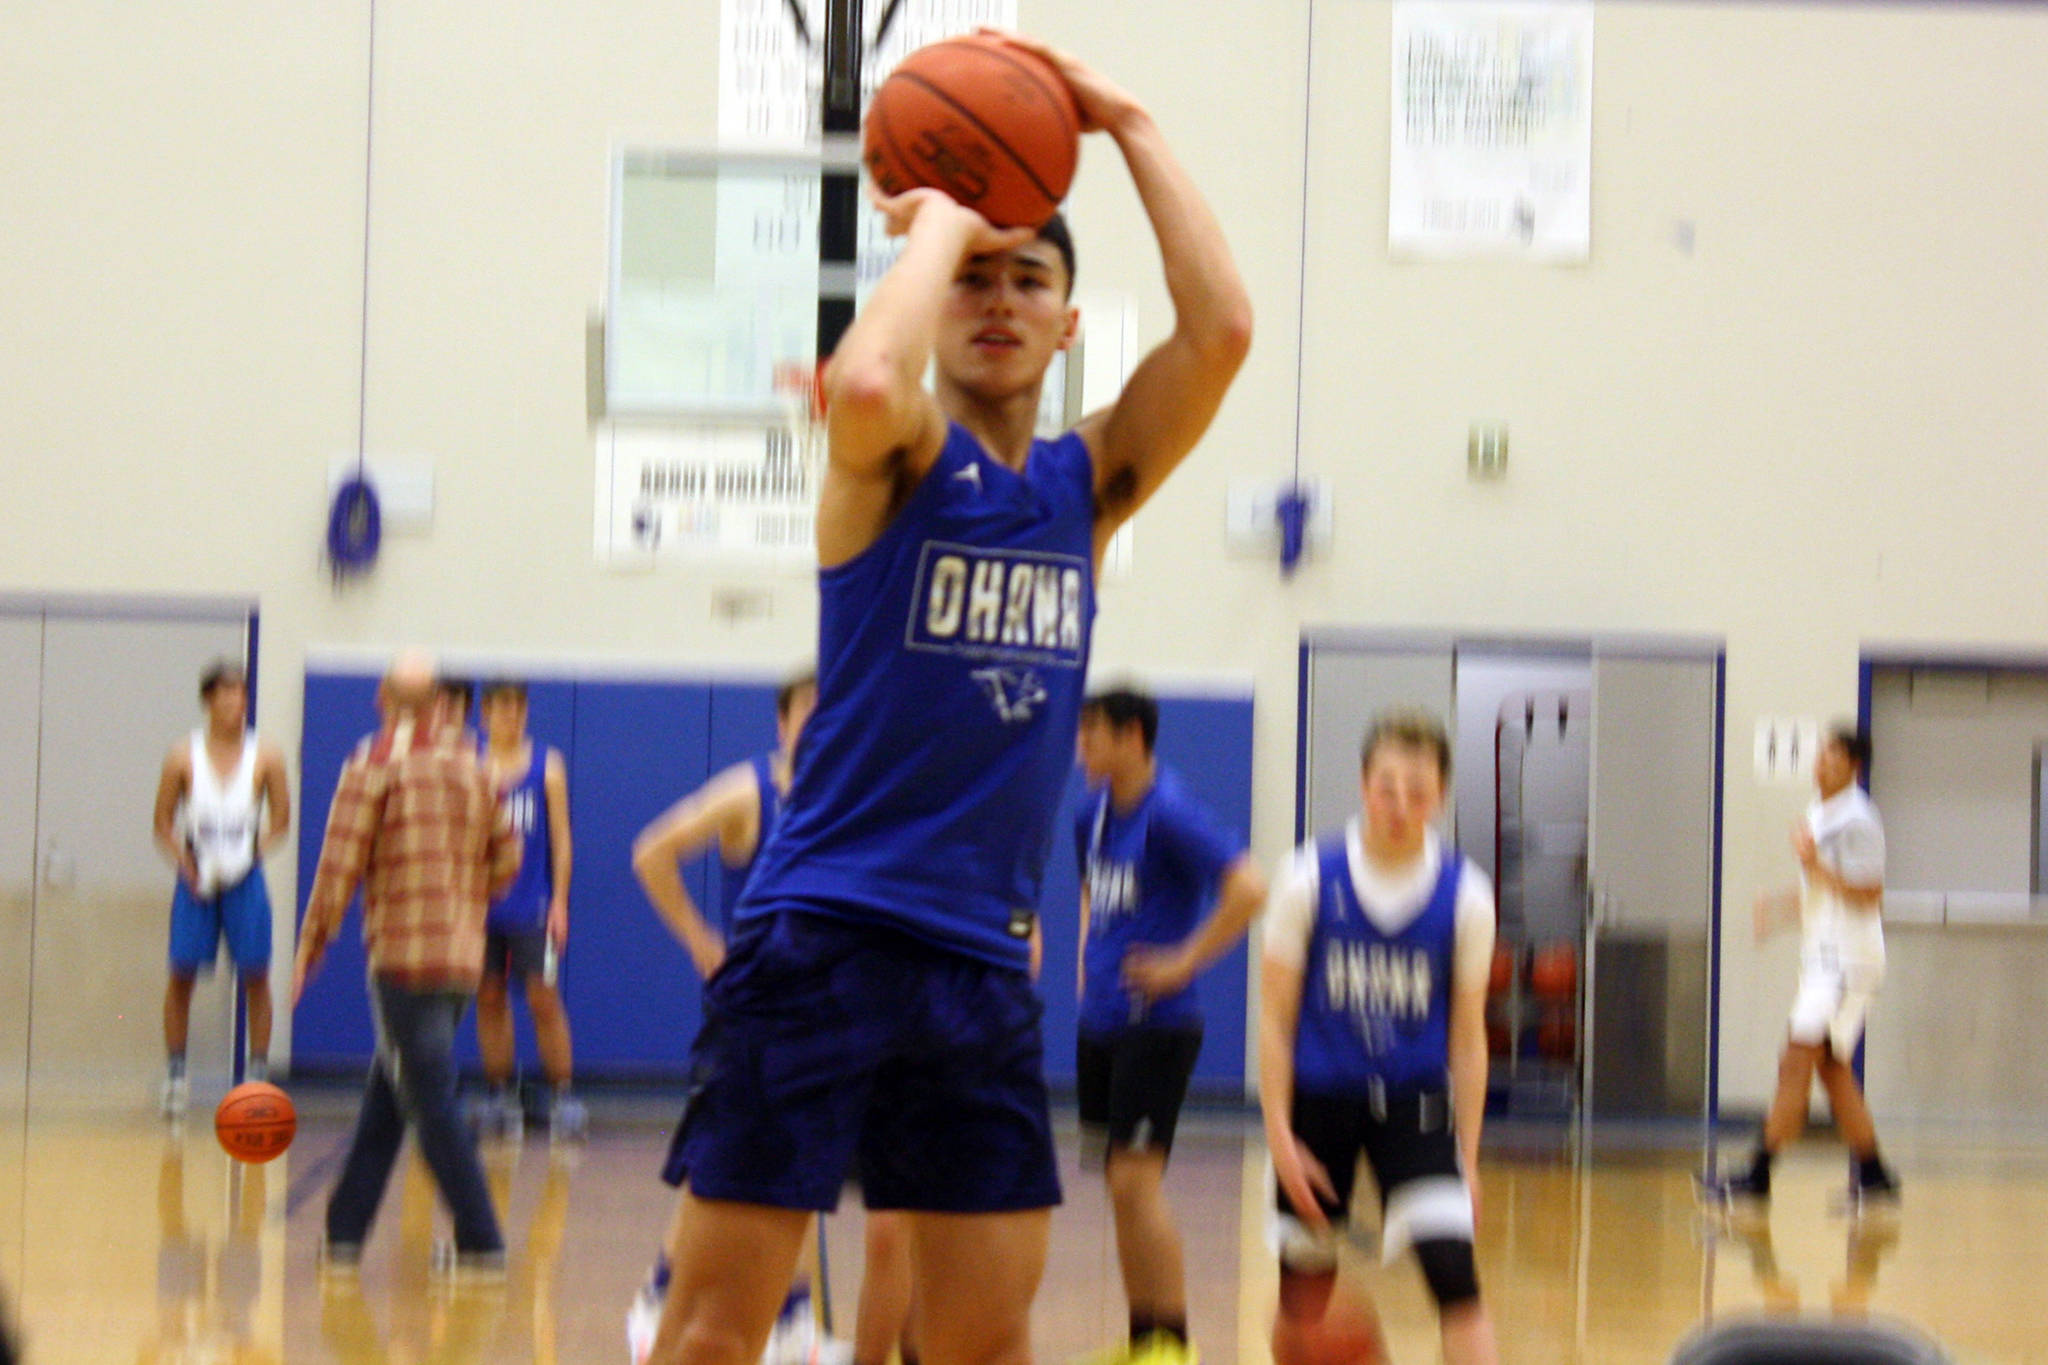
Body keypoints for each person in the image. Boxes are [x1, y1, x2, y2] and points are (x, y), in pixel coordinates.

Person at [641, 28, 1251, 1365]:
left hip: (979, 966)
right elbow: (865, 379)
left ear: (1066, 321)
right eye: (971, 275)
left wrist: (1130, 119)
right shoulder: (897, 461)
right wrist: (938, 227)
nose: (996, 294)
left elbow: (1224, 330)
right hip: (818, 941)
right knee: (708, 1335)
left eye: (1026, 276)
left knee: (984, 1343)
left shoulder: (1084, 488)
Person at [1260, 709, 1500, 1365]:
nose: (1399, 804)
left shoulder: (1468, 894)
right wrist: (1280, 1135)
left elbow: (1469, 1038)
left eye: (1417, 791)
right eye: (1387, 786)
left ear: (1441, 796)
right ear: (1364, 784)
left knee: (1456, 1274)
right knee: (1304, 1302)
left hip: (1413, 1103)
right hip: (1320, 1102)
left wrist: (1468, 1160)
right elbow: (1276, 1019)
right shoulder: (1307, 876)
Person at [626, 671, 839, 1365]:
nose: (820, 720)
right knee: (718, 1170)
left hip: (824, 1016)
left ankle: (794, 1316)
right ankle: (661, 1298)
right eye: (808, 708)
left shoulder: (847, 799)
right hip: (752, 1015)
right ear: (781, 722)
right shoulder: (750, 791)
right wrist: (698, 938)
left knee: (802, 1170)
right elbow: (652, 850)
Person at [293, 651, 521, 1278]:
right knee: (391, 1095)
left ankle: (482, 1244)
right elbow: (509, 855)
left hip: (402, 958)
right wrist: (466, 899)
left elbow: (339, 864)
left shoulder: (372, 761)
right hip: (460, 961)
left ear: (384, 698)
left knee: (429, 1102)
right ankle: (343, 1235)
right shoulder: (475, 765)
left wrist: (311, 948)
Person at [1072, 686, 1265, 1365]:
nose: (1080, 747)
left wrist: (1185, 958)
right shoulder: (1092, 812)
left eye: (1090, 733)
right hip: (1102, 1019)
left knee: (1135, 1181)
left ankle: (1173, 1342)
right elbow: (1093, 888)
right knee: (1118, 1186)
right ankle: (1143, 1334)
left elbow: (1249, 886)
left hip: (1157, 1024)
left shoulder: (1171, 812)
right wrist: (1084, 958)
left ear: (1131, 736)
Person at [1705, 725, 1900, 1211]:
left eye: (1834, 756)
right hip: (1826, 958)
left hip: (1845, 963)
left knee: (1795, 1061)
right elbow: (1825, 890)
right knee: (1832, 1069)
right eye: (1822, 753)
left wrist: (1813, 865)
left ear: (1853, 767)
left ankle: (1757, 1177)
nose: (1821, 761)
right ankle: (1875, 1175)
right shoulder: (1820, 813)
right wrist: (1781, 909)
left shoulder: (1859, 819)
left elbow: (1869, 891)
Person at [151, 660, 292, 1114]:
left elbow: (282, 820)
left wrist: (252, 854)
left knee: (256, 973)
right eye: (226, 695)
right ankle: (175, 1073)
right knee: (182, 972)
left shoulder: (265, 754)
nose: (236, 704)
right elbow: (161, 823)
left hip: (244, 877)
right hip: (197, 879)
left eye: (242, 696)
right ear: (209, 700)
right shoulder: (182, 755)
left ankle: (256, 1073)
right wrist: (185, 863)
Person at [472, 679, 582, 1143]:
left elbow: (561, 839)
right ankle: (501, 1091)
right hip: (480, 909)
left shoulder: (548, 765)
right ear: (485, 716)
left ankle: (563, 1095)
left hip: (533, 905)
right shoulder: (470, 766)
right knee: (490, 997)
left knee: (543, 996)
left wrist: (559, 901)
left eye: (518, 708)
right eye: (501, 709)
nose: (511, 717)